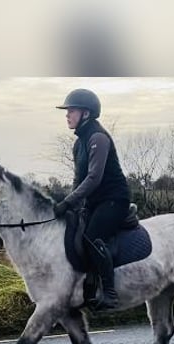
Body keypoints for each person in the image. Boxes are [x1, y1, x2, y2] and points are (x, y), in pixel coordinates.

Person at [53, 88, 131, 310]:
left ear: (86, 114)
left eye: (71, 111)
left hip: (114, 199)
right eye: (67, 111)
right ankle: (84, 287)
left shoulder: (98, 137)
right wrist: (70, 205)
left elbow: (94, 178)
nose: (67, 115)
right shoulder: (79, 143)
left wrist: (68, 202)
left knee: (92, 237)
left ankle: (109, 293)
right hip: (94, 202)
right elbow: (78, 180)